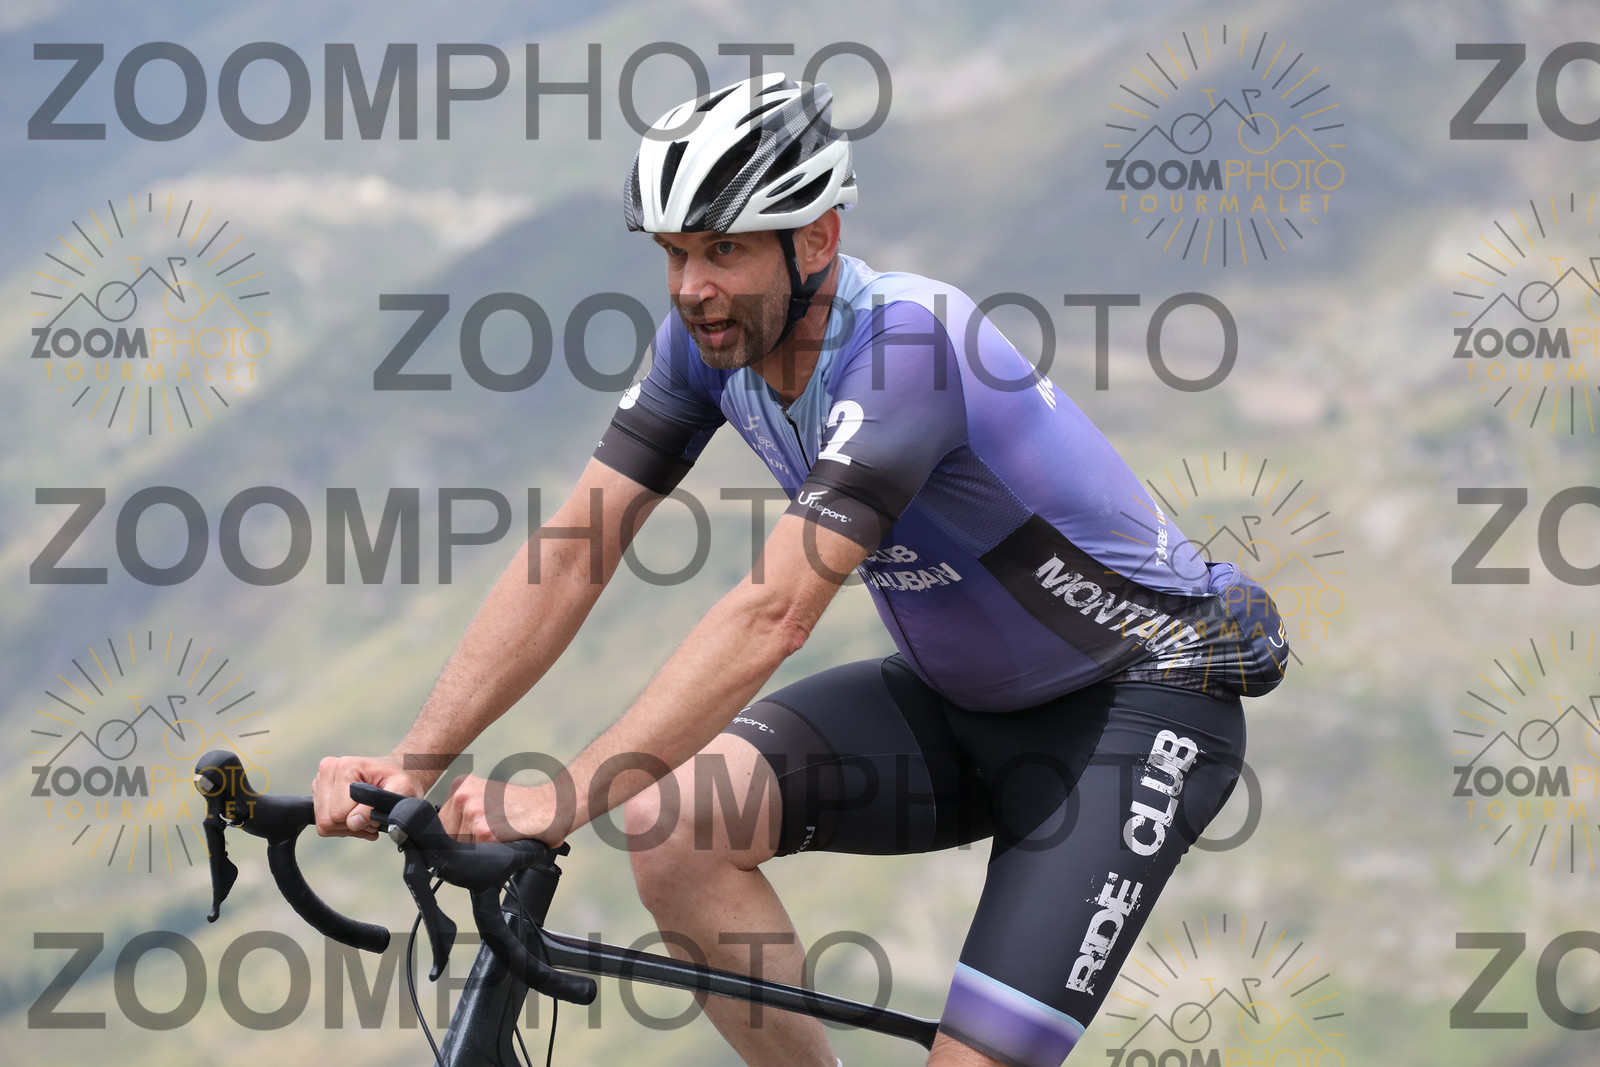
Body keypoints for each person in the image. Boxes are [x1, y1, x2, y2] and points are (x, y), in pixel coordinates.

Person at [313, 73, 1290, 1067]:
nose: (691, 286)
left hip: (1135, 710)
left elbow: (773, 612)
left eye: (723, 250)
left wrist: (557, 799)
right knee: (673, 823)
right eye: (674, 252)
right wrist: (417, 758)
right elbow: (573, 550)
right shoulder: (708, 346)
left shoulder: (909, 346)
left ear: (816, 239)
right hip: (960, 704)